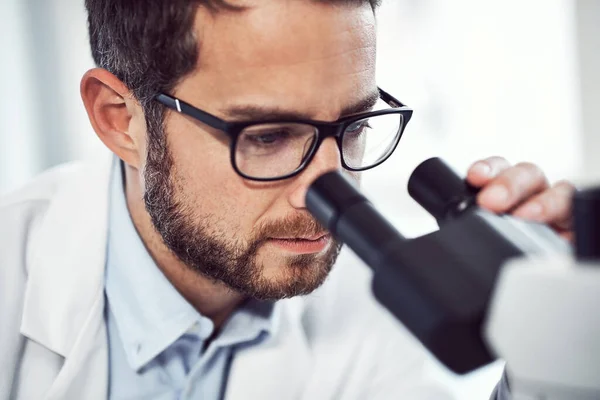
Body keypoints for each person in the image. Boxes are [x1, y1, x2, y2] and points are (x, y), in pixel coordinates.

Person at [0, 1, 575, 399]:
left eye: (354, 125)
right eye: (268, 137)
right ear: (120, 119)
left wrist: (551, 355)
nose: (327, 189)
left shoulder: (379, 306)